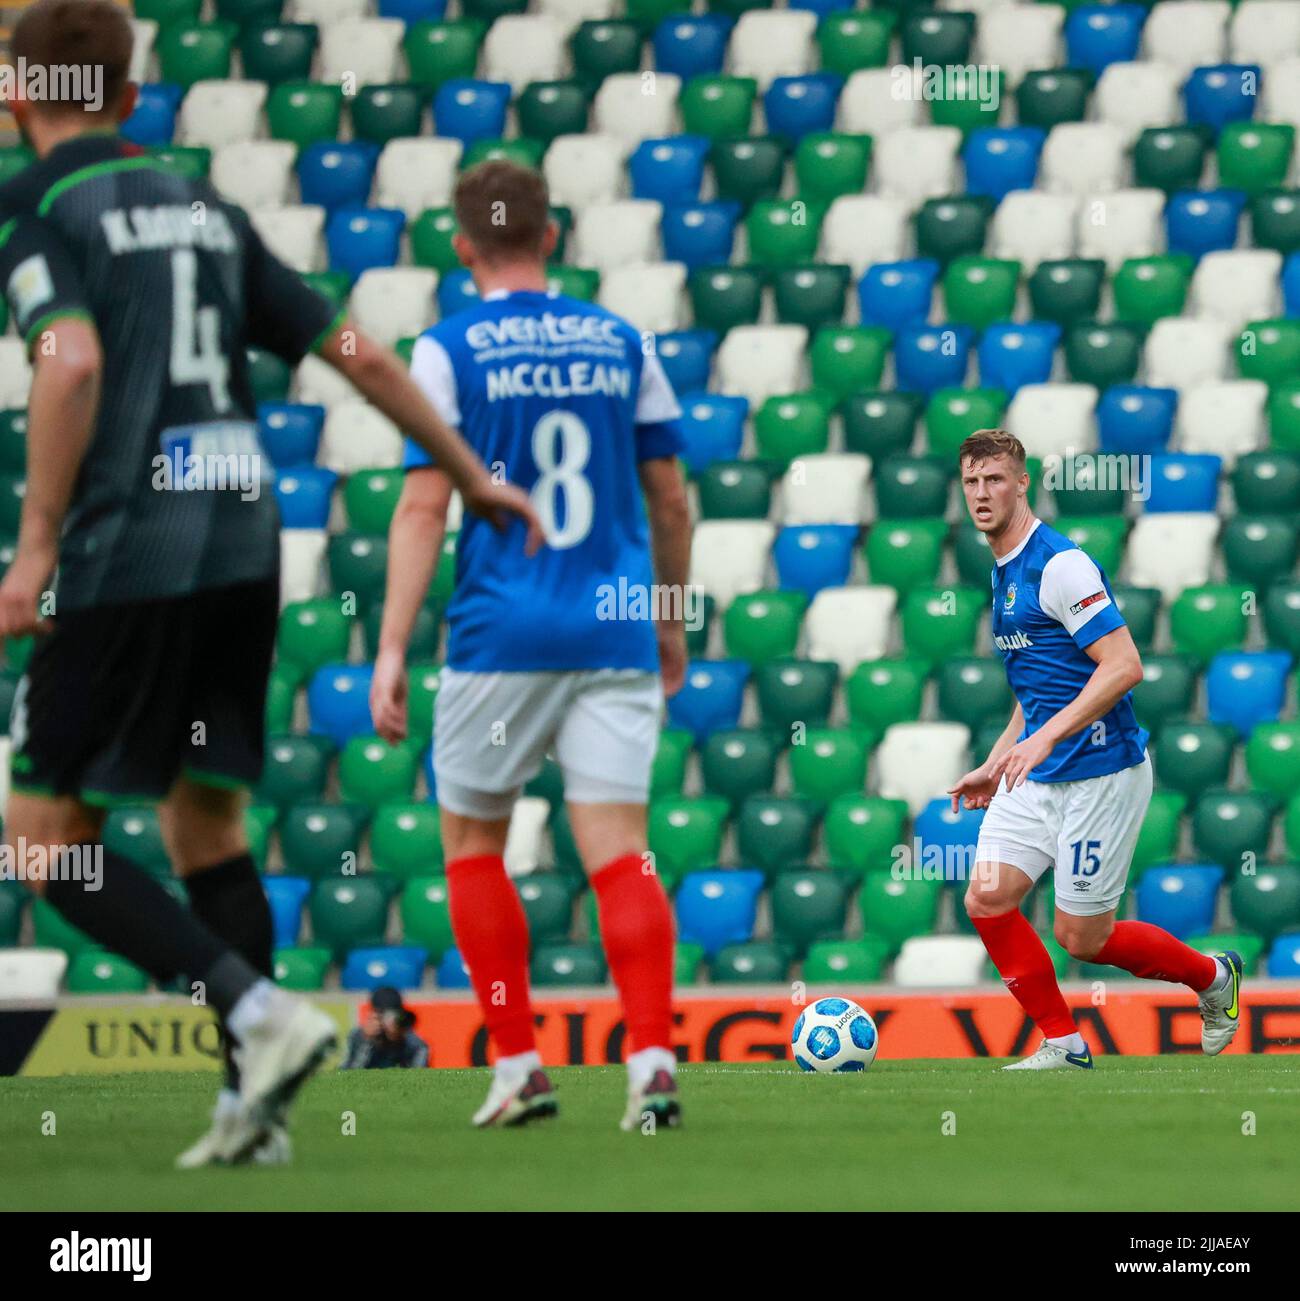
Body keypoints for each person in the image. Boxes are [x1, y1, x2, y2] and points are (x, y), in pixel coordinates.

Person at [0, 0, 540, 1166]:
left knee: (43, 845)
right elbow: (362, 352)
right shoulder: (206, 206)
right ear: (131, 101)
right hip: (246, 541)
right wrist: (470, 476)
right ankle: (255, 1114)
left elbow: (70, 354)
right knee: (206, 823)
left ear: (15, 97)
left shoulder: (38, 205)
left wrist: (36, 543)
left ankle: (255, 1010)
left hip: (124, 549)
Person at [370, 160, 691, 1130]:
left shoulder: (443, 349)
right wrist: (669, 614)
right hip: (611, 623)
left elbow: (425, 505)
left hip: (499, 631)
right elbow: (668, 496)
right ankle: (650, 1062)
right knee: (621, 853)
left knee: (473, 845)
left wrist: (389, 647)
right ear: (551, 237)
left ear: (463, 247)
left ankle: (517, 1063)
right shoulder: (621, 339)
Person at [947, 429, 1241, 1069]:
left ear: (1023, 482)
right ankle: (1063, 1041)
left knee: (1083, 938)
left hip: (1101, 774)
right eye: (971, 481)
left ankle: (1213, 978)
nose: (982, 493)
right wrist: (1000, 763)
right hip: (1037, 774)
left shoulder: (1059, 565)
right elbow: (1042, 684)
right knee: (987, 899)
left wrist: (1045, 737)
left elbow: (1123, 665)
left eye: (995, 479)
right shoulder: (1001, 568)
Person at [339, 986, 430, 1069]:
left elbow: (419, 1077)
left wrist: (397, 1039)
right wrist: (366, 1041)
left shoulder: (415, 1044)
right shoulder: (357, 1036)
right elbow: (346, 1075)